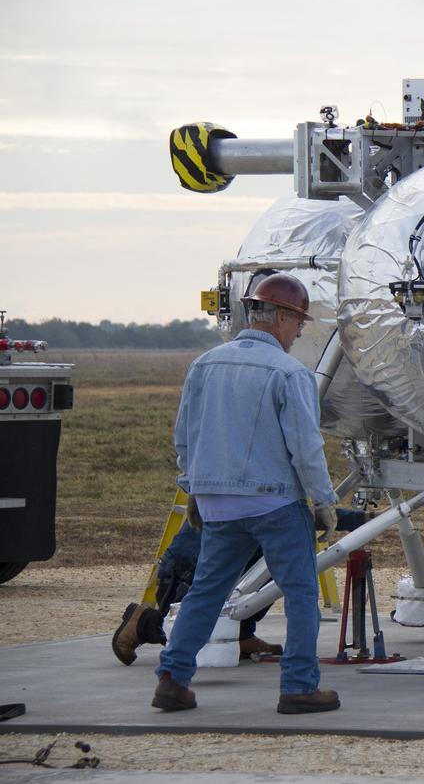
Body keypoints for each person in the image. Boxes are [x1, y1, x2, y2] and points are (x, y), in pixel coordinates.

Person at [151, 273, 342, 714]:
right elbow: (305, 447)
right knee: (299, 594)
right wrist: (324, 500)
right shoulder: (290, 373)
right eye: (298, 323)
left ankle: (172, 679)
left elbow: (185, 436)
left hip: (217, 502)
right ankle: (298, 686)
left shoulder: (205, 364)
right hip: (275, 502)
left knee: (207, 591)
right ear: (279, 317)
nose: (299, 333)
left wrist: (194, 489)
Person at [112, 506, 371, 666]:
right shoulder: (251, 487)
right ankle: (145, 623)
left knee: (272, 563)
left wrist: (364, 518)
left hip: (199, 568)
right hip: (185, 576)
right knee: (199, 624)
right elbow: (302, 514)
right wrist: (362, 519)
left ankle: (242, 634)